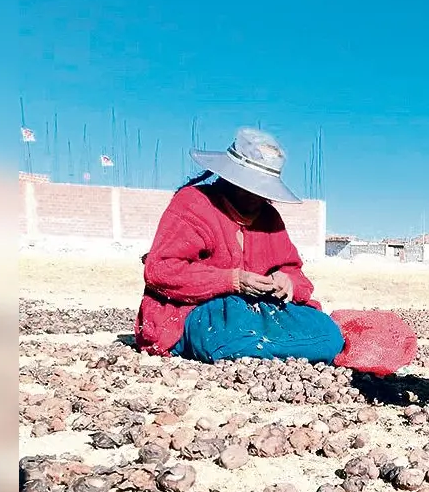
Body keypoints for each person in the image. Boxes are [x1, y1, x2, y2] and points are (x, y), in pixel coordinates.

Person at [134, 127, 346, 363]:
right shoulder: (193, 203)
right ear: (229, 178)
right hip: (197, 311)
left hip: (255, 310)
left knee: (329, 333)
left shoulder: (270, 218)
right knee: (234, 333)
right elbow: (160, 270)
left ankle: (269, 346)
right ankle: (273, 347)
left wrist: (287, 281)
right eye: (249, 187)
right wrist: (233, 281)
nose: (256, 196)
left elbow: (296, 274)